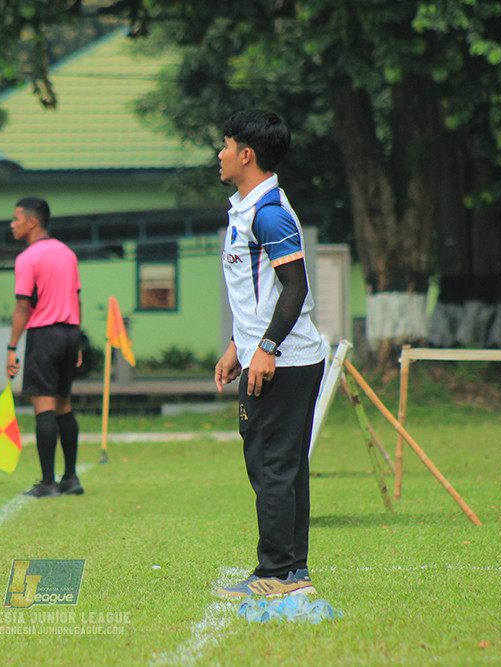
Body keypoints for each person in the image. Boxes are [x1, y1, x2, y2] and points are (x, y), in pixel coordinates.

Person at [213, 110, 328, 597]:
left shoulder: (270, 213)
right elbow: (257, 293)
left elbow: (295, 287)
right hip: (272, 353)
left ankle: (273, 574)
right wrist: (238, 345)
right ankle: (293, 571)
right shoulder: (246, 208)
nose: (218, 154)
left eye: (225, 144)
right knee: (285, 465)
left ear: (246, 155)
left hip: (284, 361)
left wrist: (265, 349)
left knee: (271, 466)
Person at [6, 197, 84, 498]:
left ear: (32, 222)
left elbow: (23, 307)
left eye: (15, 218)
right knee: (64, 404)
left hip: (44, 335)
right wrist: (76, 339)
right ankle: (71, 478)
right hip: (69, 334)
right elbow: (76, 298)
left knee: (44, 406)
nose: (12, 224)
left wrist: (11, 347)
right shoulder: (67, 254)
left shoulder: (27, 258)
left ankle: (48, 482)